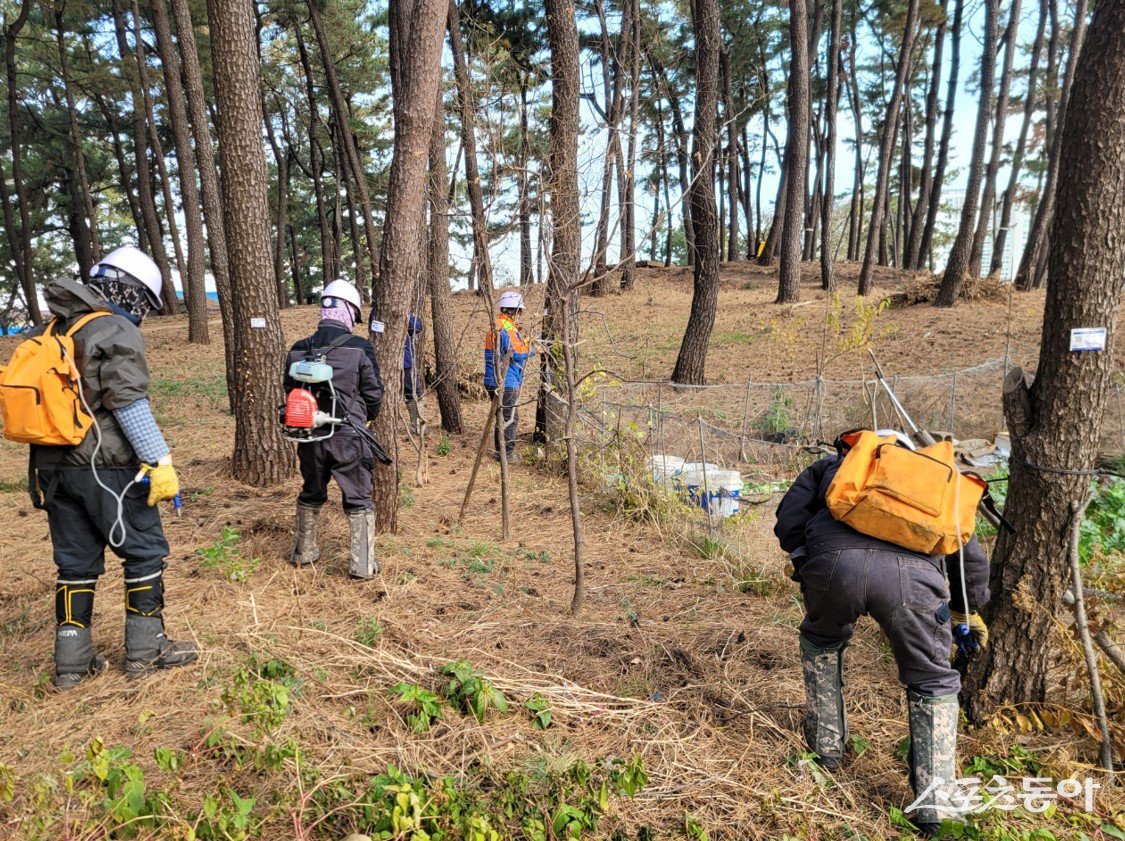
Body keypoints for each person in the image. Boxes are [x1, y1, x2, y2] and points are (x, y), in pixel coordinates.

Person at [774, 430, 990, 836]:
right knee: (933, 680)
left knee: (821, 641)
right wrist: (968, 610)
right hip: (914, 584)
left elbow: (789, 519)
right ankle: (934, 807)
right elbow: (968, 557)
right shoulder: (936, 480)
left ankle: (827, 751)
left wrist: (805, 562)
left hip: (834, 569)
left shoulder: (832, 467)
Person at [20, 246, 198, 691]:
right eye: (146, 303)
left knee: (75, 562)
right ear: (131, 290)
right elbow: (128, 402)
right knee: (143, 551)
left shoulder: (53, 326)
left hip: (53, 468)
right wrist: (160, 461)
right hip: (107, 465)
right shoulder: (113, 327)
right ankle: (145, 651)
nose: (144, 315)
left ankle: (71, 666)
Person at [286, 280, 384, 579]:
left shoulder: (299, 348)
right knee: (358, 498)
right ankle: (362, 565)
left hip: (308, 436)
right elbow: (374, 394)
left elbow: (289, 392)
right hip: (348, 436)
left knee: (311, 490)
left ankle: (304, 553)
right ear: (349, 312)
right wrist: (361, 417)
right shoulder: (360, 348)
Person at [483, 291, 530, 462]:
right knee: (510, 417)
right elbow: (516, 353)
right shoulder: (506, 328)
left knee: (501, 416)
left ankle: (501, 452)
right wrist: (532, 349)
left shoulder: (496, 325)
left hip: (492, 379)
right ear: (512, 310)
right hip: (505, 381)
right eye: (519, 311)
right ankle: (506, 455)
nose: (520, 315)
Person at [403, 313, 424, 435]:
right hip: (403, 362)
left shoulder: (377, 310)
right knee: (414, 393)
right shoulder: (378, 311)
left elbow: (417, 327)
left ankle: (418, 426)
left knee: (414, 393)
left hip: (404, 361)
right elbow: (417, 326)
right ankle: (418, 427)